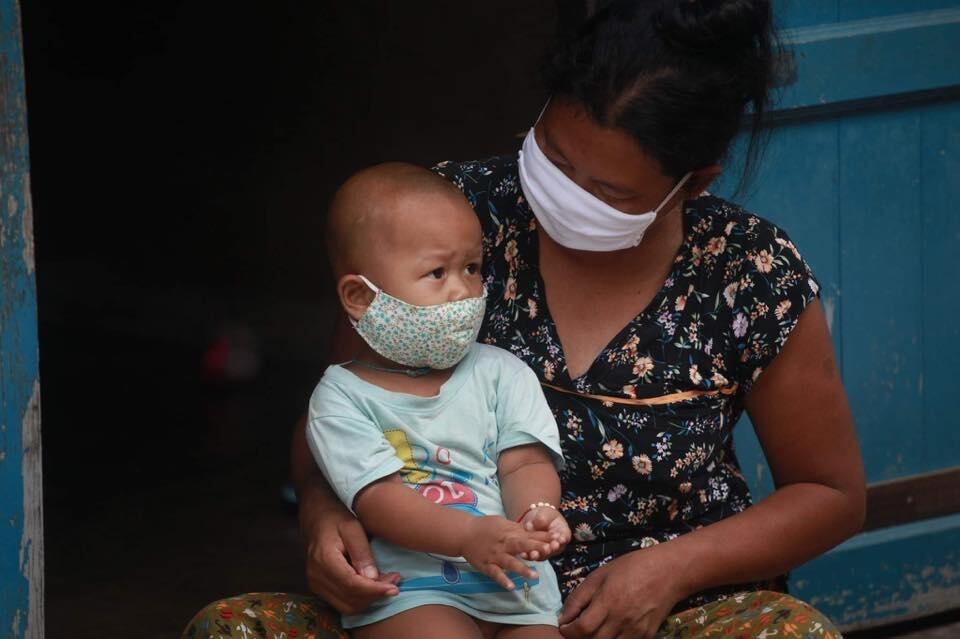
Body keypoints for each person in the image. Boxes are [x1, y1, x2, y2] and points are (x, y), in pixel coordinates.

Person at [183, 1, 865, 638]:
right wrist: (322, 516)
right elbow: (340, 408)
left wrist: (672, 568)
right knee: (233, 626)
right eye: (556, 157)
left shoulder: (748, 271)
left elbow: (830, 492)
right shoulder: (448, 217)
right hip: (430, 591)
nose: (563, 196)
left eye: (606, 190)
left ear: (696, 179)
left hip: (649, 617)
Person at [306, 162, 570, 638]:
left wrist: (537, 510)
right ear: (361, 298)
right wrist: (468, 536)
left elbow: (523, 463)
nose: (462, 290)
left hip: (517, 588)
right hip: (413, 591)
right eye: (436, 272)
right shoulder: (341, 397)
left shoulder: (501, 372)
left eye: (471, 268)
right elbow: (378, 499)